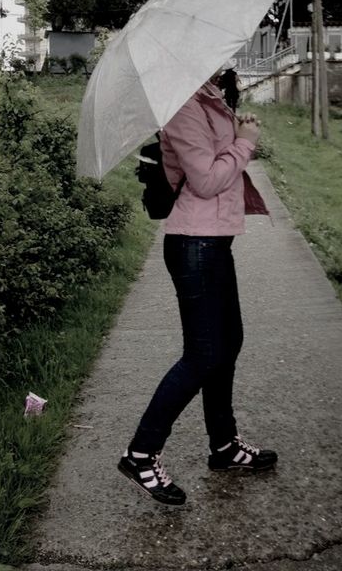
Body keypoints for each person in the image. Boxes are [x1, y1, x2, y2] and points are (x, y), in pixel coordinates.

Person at [118, 73, 277, 506]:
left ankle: (224, 446)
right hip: (194, 244)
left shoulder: (207, 96)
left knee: (229, 343)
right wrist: (246, 142)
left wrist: (236, 123)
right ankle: (141, 453)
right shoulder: (181, 106)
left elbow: (216, 157)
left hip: (212, 241)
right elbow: (206, 180)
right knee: (204, 353)